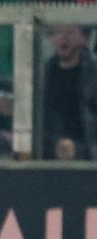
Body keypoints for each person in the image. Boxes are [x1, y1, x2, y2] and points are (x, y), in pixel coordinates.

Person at [42, 26, 97, 160]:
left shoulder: (93, 74)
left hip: (88, 160)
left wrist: (77, 149)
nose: (63, 37)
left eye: (70, 32)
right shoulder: (41, 73)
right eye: (58, 31)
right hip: (47, 158)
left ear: (84, 38)